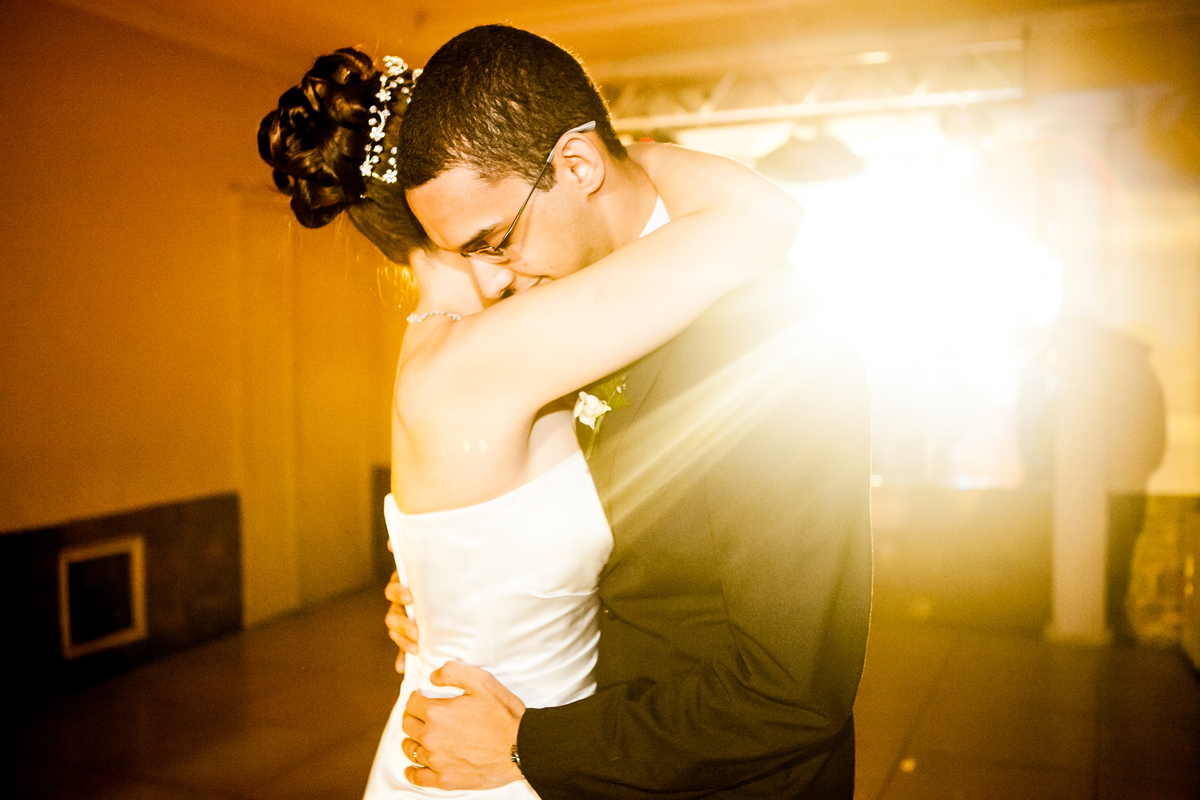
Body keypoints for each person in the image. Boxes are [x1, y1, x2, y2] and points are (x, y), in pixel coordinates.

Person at [258, 46, 805, 799]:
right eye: (479, 248)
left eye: (497, 241)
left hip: (509, 738)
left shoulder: (446, 350)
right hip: (493, 757)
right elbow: (761, 217)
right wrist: (614, 153)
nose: (499, 275)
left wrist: (437, 595)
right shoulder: (491, 354)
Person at [386, 25, 873, 800]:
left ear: (576, 165)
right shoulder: (561, 318)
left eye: (497, 240)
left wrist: (529, 747)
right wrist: (464, 583)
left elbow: (792, 687)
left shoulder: (767, 340)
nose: (489, 284)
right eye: (464, 256)